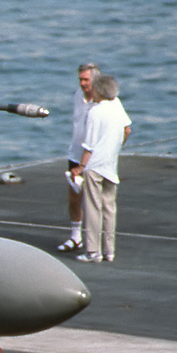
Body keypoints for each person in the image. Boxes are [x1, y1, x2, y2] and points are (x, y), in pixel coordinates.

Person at [72, 74, 131, 263]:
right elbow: (126, 130)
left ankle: (93, 252)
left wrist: (80, 166)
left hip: (95, 166)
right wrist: (115, 148)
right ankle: (109, 251)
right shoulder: (117, 107)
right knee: (109, 208)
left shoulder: (95, 112)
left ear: (99, 90)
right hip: (110, 165)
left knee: (92, 208)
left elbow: (89, 145)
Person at [57, 62, 98, 252]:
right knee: (74, 197)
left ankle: (95, 241)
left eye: (86, 79)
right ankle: (76, 237)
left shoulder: (102, 101)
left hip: (93, 157)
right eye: (80, 79)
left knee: (94, 200)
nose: (82, 83)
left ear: (95, 80)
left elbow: (124, 129)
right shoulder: (77, 96)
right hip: (75, 153)